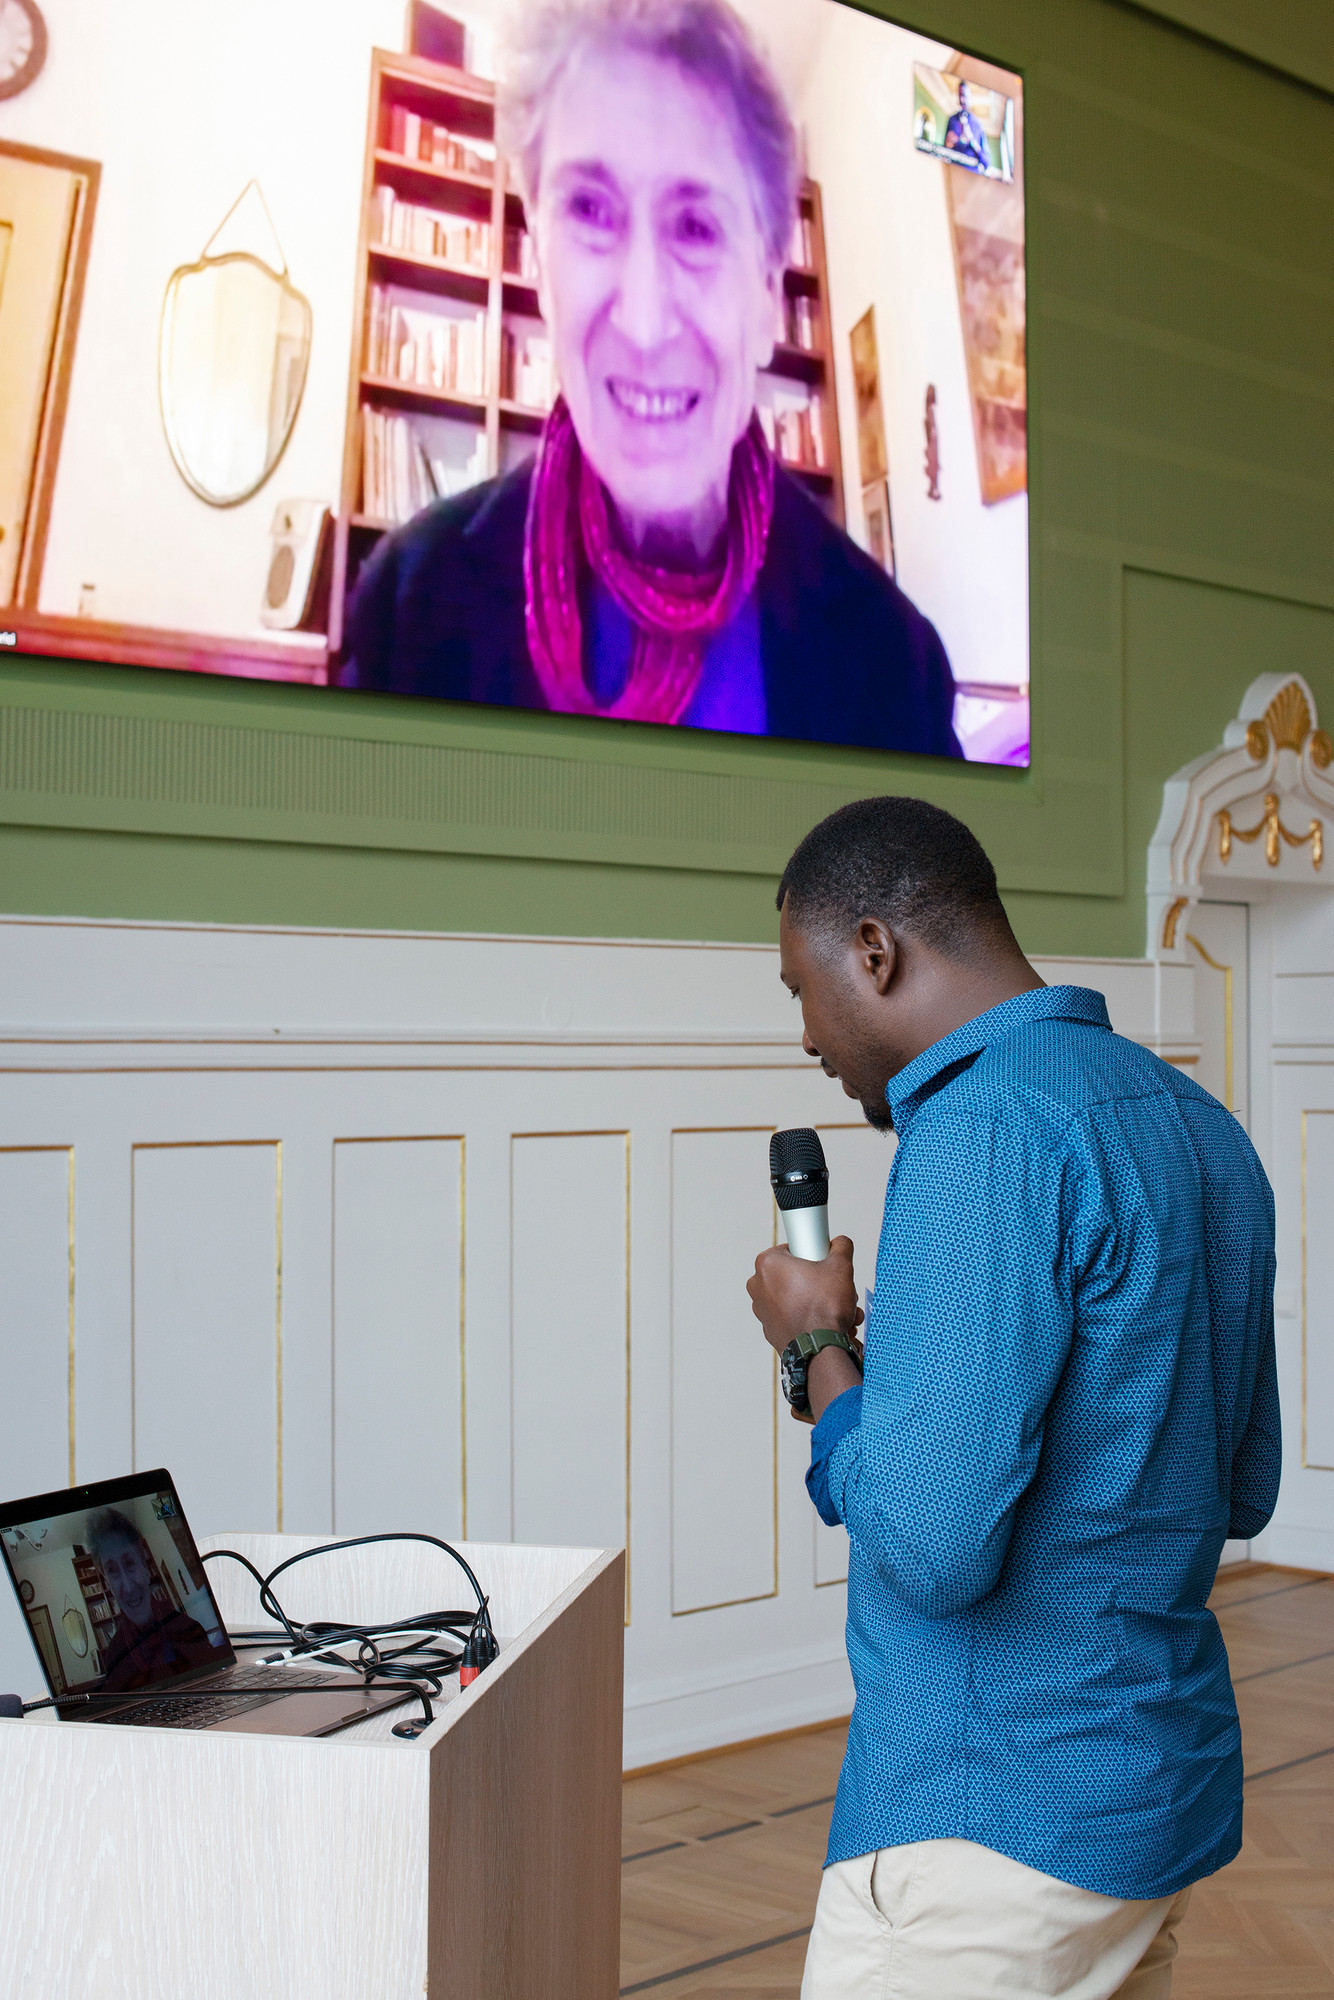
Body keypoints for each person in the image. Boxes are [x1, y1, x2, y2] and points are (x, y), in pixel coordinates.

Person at [746, 796, 1280, 1998]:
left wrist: (818, 1343)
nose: (805, 1035)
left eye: (800, 989)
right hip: (1153, 1795)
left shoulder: (980, 1126)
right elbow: (1241, 1483)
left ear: (872, 950)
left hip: (987, 1821)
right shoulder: (1198, 1122)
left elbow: (933, 1545)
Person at [345, 0, 961, 760]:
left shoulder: (894, 665)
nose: (643, 323)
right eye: (591, 211)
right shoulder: (411, 610)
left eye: (697, 227)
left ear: (769, 299)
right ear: (538, 261)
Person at [87, 1507, 216, 1693]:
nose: (128, 1587)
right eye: (112, 1571)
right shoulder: (115, 1657)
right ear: (106, 1582)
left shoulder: (189, 1628)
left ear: (144, 1564)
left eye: (130, 1563)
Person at [943, 79, 992, 173]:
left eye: (964, 96)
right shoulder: (952, 120)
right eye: (960, 95)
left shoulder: (978, 124)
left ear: (970, 98)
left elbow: (987, 162)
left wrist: (972, 141)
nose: (962, 100)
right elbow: (943, 152)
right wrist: (947, 145)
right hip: (953, 172)